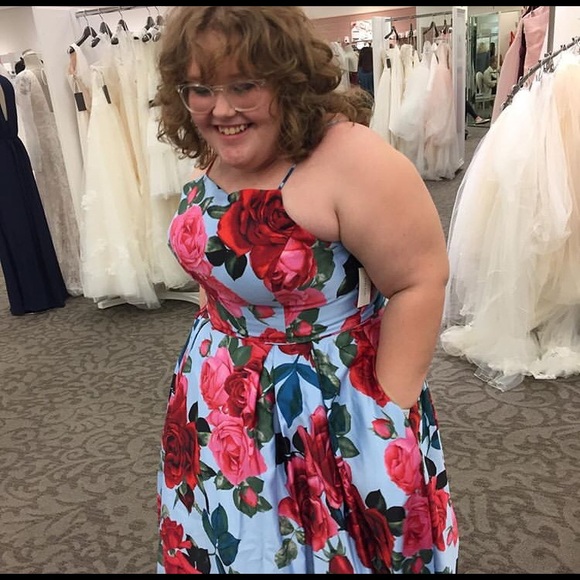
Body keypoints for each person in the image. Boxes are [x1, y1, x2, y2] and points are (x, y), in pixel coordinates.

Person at [154, 6, 459, 574]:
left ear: (286, 76)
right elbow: (217, 266)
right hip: (220, 399)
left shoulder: (350, 157)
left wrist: (387, 410)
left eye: (243, 85)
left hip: (325, 406)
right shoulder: (225, 143)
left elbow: (420, 279)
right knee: (234, 541)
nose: (221, 109)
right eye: (201, 89)